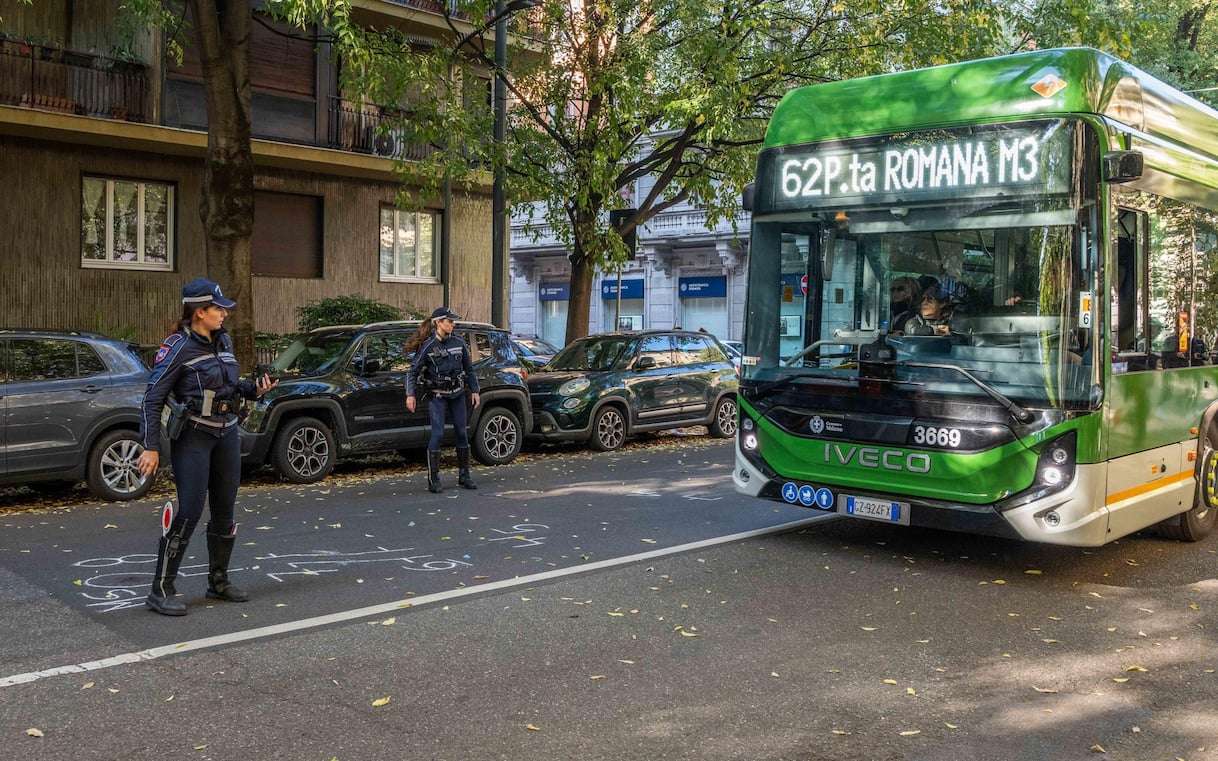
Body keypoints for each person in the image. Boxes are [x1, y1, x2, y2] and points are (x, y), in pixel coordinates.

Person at [137, 278, 277, 616]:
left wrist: (254, 389)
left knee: (225, 510)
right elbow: (152, 398)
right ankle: (161, 589)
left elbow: (230, 386)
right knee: (189, 512)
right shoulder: (177, 346)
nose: (224, 314)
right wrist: (150, 446)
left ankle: (218, 581)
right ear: (199, 312)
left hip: (226, 433)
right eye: (218, 309)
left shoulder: (223, 340)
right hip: (194, 438)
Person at [405, 307, 481, 493]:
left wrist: (475, 390)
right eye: (449, 321)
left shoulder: (459, 341)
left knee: (462, 432)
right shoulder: (428, 345)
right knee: (437, 434)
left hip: (457, 393)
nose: (453, 324)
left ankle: (464, 475)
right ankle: (434, 479)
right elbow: (412, 372)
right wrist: (410, 394)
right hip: (438, 395)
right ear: (438, 323)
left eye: (453, 321)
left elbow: (469, 369)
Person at [895, 282, 959, 337]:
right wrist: (935, 330)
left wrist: (951, 333)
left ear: (942, 303)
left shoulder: (951, 322)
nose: (924, 303)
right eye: (922, 300)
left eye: (930, 299)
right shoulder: (915, 320)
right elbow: (912, 329)